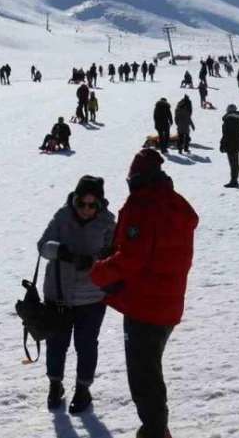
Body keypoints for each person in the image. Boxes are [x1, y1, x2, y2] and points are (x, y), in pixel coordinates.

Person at [91, 150, 197, 438]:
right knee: (150, 369)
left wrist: (99, 271)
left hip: (145, 307)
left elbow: (131, 258)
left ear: (136, 177)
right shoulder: (176, 203)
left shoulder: (143, 205)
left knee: (144, 377)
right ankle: (157, 430)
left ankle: (154, 432)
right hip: (169, 304)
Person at [37, 176, 115, 413]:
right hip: (58, 293)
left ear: (100, 205)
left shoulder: (108, 223)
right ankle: (55, 384)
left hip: (91, 297)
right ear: (75, 200)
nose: (87, 210)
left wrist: (91, 261)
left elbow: (112, 256)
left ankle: (83, 389)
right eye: (82, 204)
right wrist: (59, 251)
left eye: (93, 205)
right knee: (56, 343)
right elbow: (42, 246)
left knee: (86, 345)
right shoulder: (62, 216)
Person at [220, 105, 239, 188]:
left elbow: (226, 134)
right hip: (236, 143)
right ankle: (234, 180)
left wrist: (222, 144)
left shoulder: (229, 119)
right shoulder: (238, 119)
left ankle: (234, 181)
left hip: (230, 144)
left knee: (233, 163)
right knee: (235, 163)